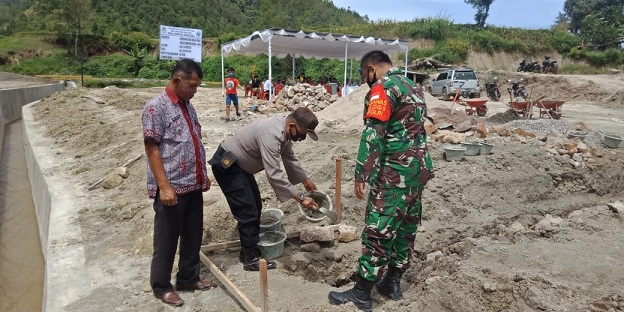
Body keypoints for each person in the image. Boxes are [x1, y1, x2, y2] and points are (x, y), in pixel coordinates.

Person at [328, 50, 434, 311]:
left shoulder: (382, 88)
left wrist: (362, 173)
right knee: (406, 227)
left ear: (372, 69)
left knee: (378, 230)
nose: (365, 80)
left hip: (394, 174)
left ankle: (362, 293)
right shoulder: (414, 87)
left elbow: (373, 133)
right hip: (417, 172)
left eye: (364, 74)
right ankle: (392, 283)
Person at [142, 59, 217, 307]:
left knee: (193, 236)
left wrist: (201, 176)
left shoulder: (187, 106)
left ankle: (188, 278)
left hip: (192, 185)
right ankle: (162, 287)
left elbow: (194, 141)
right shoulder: (156, 108)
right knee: (166, 240)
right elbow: (152, 148)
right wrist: (164, 186)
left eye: (196, 86)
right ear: (177, 81)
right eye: (192, 86)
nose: (194, 91)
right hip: (171, 188)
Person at [209, 107, 321, 271]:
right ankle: (251, 259)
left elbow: (289, 157)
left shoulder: (283, 131)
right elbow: (274, 174)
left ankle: (247, 251)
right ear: (291, 125)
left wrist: (305, 180)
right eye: (303, 134)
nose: (303, 138)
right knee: (247, 211)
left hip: (240, 167)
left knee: (255, 206)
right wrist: (301, 198)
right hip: (228, 166)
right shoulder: (271, 135)